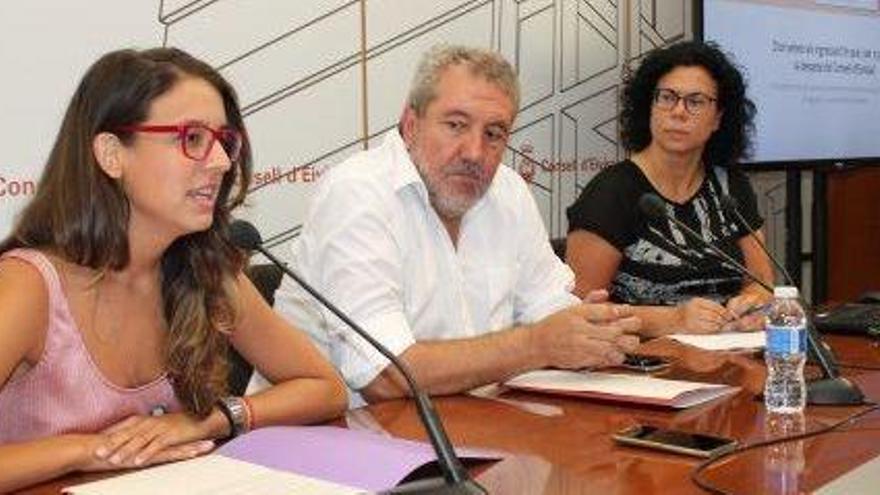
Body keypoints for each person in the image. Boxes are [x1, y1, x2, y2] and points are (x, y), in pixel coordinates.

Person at [0, 47, 346, 492]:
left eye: (224, 140)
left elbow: (322, 386)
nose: (221, 162)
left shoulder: (203, 269)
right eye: (193, 138)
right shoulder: (27, 288)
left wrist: (208, 421)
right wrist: (87, 449)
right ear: (111, 154)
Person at [272, 45, 640, 407]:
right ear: (411, 125)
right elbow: (385, 375)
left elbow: (548, 306)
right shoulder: (357, 191)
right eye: (456, 125)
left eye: (494, 134)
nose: (474, 153)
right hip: (336, 441)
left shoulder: (507, 191)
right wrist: (537, 344)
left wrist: (587, 330)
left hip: (467, 426)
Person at [565, 41, 773, 337]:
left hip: (729, 354)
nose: (678, 112)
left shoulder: (729, 186)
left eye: (696, 101)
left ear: (718, 118)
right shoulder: (612, 192)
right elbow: (579, 311)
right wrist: (672, 320)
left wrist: (753, 306)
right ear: (649, 107)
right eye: (667, 97)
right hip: (642, 367)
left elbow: (761, 283)